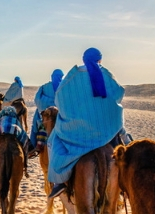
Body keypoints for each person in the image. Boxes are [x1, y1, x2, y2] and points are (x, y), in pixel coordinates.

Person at [47, 47, 132, 199]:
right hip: (106, 130)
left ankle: (59, 182)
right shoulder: (105, 73)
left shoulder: (70, 78)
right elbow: (119, 93)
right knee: (125, 141)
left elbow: (59, 99)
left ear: (83, 59)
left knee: (52, 142)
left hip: (76, 132)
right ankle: (127, 185)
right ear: (100, 59)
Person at [29, 69, 64, 152]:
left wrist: (44, 105)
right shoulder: (64, 86)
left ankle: (32, 146)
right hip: (60, 112)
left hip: (45, 112)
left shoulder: (44, 87)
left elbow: (37, 99)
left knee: (35, 124)